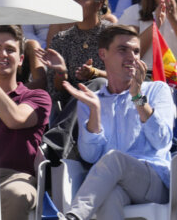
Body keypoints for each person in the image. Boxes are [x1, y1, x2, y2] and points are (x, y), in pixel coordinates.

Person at [57, 25, 173, 220]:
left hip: (154, 181)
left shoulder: (156, 90)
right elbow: (91, 156)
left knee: (114, 158)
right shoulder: (91, 100)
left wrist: (137, 97)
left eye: (136, 51)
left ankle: (73, 217)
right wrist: (95, 111)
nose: (132, 57)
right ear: (103, 54)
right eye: (123, 50)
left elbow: (162, 141)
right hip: (113, 183)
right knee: (109, 198)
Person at [0, 25, 51, 219]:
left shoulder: (37, 96)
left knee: (16, 195)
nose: (3, 54)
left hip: (15, 177)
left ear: (21, 60)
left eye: (10, 49)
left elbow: (15, 119)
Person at [39, 0, 111, 108]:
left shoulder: (113, 35)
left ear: (98, 4)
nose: (74, 3)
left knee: (98, 83)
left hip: (110, 104)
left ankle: (63, 129)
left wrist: (95, 73)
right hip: (73, 108)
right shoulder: (61, 39)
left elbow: (124, 77)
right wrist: (61, 72)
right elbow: (57, 93)